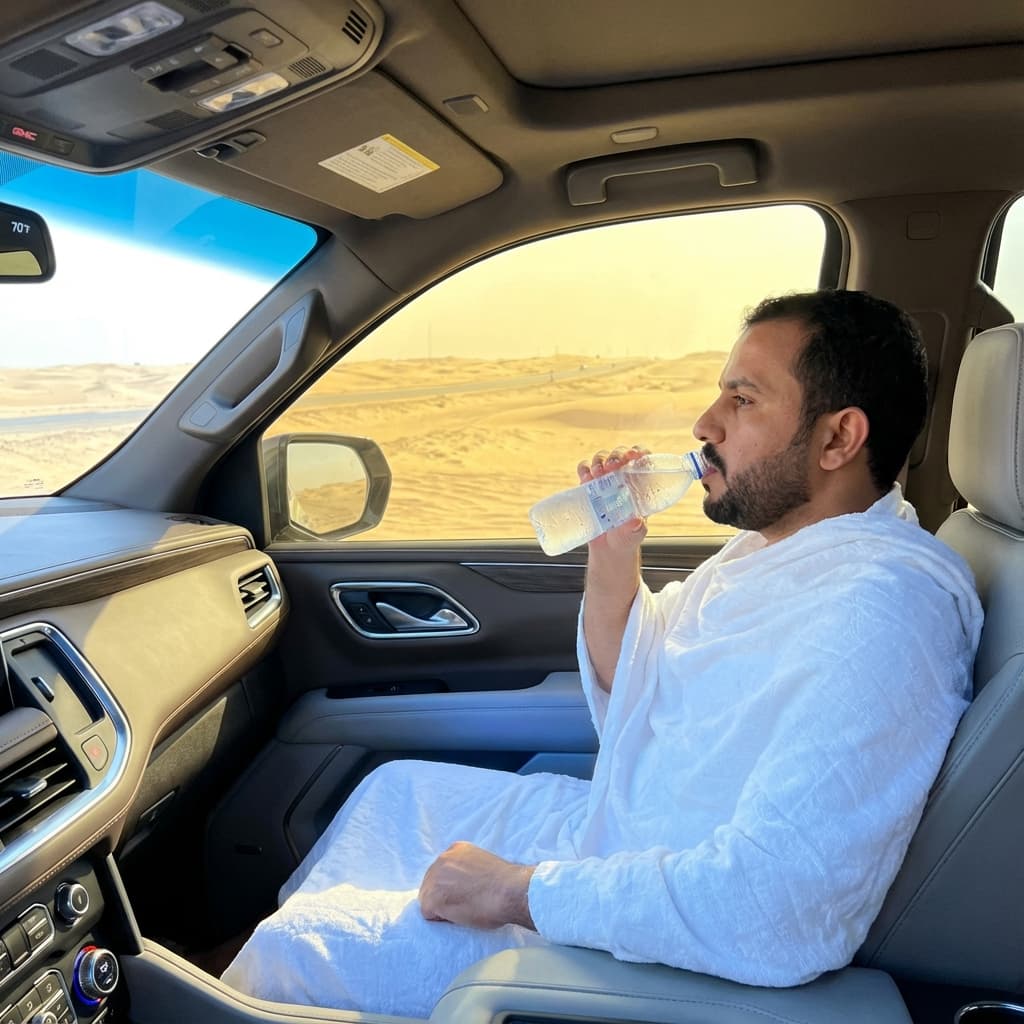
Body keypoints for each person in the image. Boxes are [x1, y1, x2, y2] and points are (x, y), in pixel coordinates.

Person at [222, 289, 982, 1018]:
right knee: (392, 792)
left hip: (662, 937)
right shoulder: (782, 550)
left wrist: (516, 891)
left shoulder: (883, 612)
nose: (704, 422)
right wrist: (614, 548)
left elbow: (776, 908)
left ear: (838, 438)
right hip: (628, 837)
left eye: (743, 400)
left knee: (291, 951)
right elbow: (643, 687)